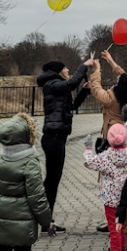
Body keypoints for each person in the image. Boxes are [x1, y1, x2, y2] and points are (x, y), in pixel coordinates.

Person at [0, 113, 54, 251]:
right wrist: (46, 221)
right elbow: (37, 198)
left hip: (2, 217)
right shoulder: (30, 162)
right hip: (23, 221)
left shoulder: (0, 159)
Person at [37, 58, 94, 233]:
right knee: (52, 181)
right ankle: (44, 220)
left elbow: (71, 107)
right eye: (65, 68)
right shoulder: (52, 84)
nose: (68, 70)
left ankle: (45, 218)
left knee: (53, 180)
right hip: (53, 137)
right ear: (59, 71)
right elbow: (72, 83)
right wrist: (84, 66)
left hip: (57, 137)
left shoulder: (56, 85)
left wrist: (84, 91)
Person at [88, 53, 127, 233]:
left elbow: (96, 90)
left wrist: (97, 70)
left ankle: (114, 220)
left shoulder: (112, 98)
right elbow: (125, 77)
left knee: (111, 181)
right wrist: (111, 61)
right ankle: (126, 217)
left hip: (114, 140)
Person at [83, 124, 127, 251]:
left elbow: (89, 162)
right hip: (126, 197)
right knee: (122, 225)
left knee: (114, 228)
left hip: (111, 198)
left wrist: (88, 148)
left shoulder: (107, 155)